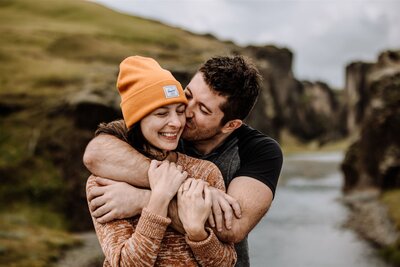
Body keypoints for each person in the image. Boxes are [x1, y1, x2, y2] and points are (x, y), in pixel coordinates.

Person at [84, 55, 283, 266]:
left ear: (230, 125)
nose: (185, 112)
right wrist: (182, 186)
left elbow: (230, 226)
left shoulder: (260, 151)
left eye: (203, 110)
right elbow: (95, 153)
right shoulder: (162, 128)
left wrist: (144, 200)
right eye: (187, 95)